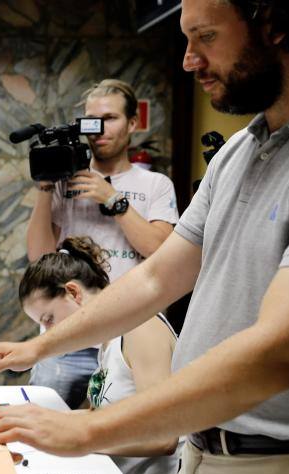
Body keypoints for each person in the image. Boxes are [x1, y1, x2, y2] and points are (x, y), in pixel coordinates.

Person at [0, 1, 289, 474]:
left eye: (204, 37)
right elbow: (160, 278)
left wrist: (87, 430)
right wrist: (40, 347)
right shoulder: (241, 149)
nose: (189, 61)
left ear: (275, 24)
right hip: (203, 462)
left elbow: (285, 352)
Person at [25, 79, 179, 407]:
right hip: (66, 341)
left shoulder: (155, 185)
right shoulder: (62, 185)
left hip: (128, 341)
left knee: (117, 434)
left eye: (110, 118)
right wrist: (44, 189)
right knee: (47, 430)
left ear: (133, 123)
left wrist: (112, 198)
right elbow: (39, 258)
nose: (99, 130)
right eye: (92, 121)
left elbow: (161, 251)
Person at [20, 236, 180, 474]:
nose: (47, 331)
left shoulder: (141, 329)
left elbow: (164, 437)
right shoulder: (109, 339)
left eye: (49, 319)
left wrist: (79, 442)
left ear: (73, 292)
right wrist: (33, 424)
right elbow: (102, 414)